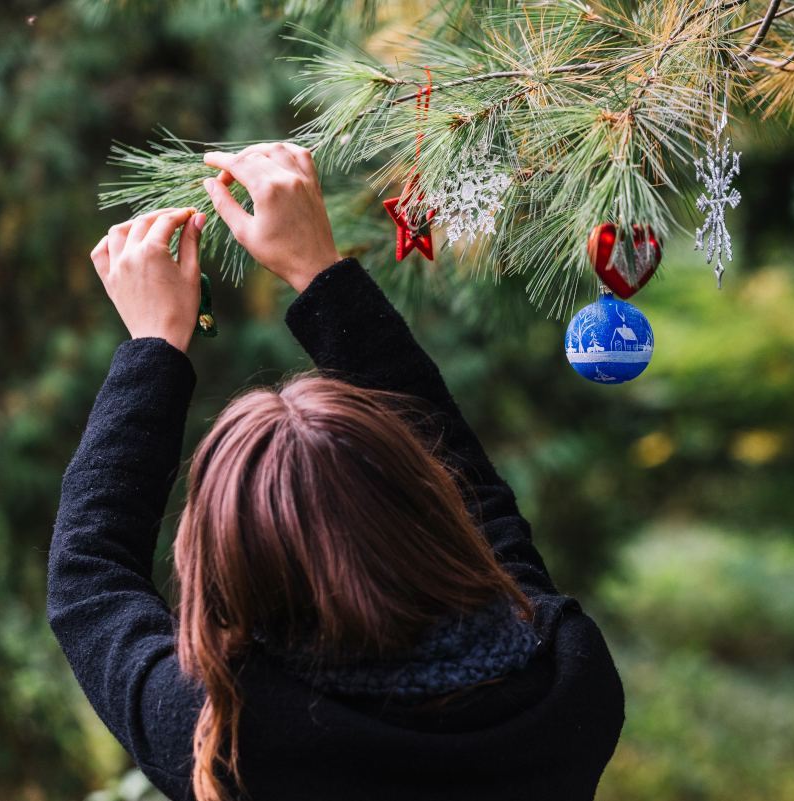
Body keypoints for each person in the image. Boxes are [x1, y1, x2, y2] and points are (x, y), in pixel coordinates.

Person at [48, 143, 624, 801]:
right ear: (425, 503)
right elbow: (482, 509)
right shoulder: (563, 675)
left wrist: (154, 343)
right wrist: (320, 272)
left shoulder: (232, 735)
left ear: (230, 560)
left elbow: (89, 580)